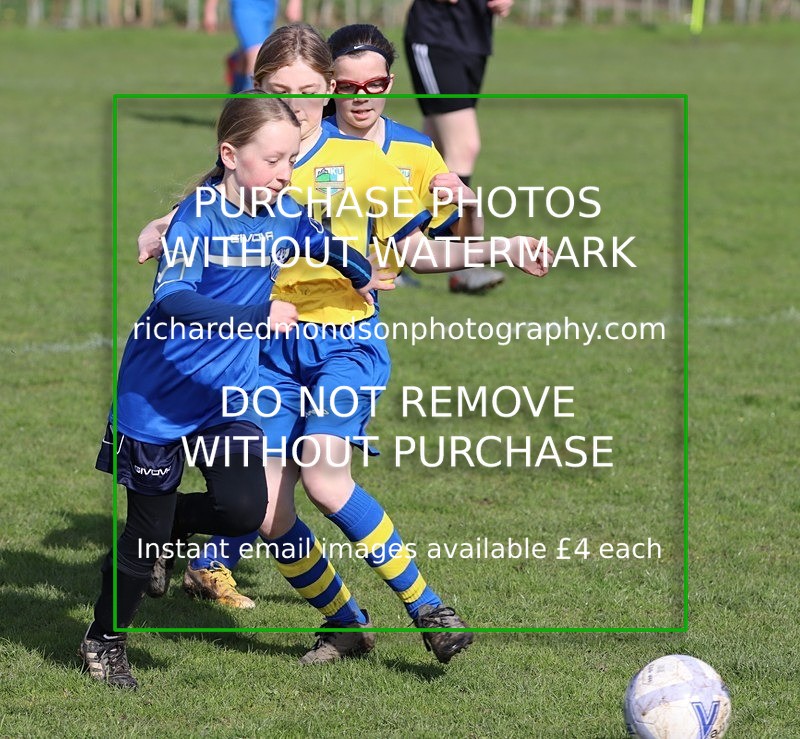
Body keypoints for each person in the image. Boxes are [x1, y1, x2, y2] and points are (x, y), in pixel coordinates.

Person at [138, 23, 551, 668]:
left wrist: (499, 246)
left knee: (328, 482)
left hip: (343, 343)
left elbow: (410, 250)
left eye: (309, 91)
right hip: (265, 351)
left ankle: (429, 610)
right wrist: (161, 225)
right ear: (259, 91)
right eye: (281, 91)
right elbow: (202, 213)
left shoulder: (361, 163)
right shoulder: (253, 155)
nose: (298, 106)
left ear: (327, 91)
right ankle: (344, 623)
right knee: (269, 510)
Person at [82, 96, 385, 690]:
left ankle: (167, 527)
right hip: (160, 396)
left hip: (228, 393)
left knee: (245, 510)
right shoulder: (199, 217)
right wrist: (254, 313)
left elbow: (311, 237)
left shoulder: (282, 208)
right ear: (230, 155)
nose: (284, 173)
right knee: (140, 546)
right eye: (273, 160)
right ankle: (104, 639)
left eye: (291, 160)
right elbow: (173, 299)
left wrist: (355, 267)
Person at [404, 0, 514, 294]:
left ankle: (384, 250)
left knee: (428, 153)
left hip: (473, 40)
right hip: (436, 36)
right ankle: (464, 266)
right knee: (465, 145)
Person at [203, 0, 303, 92]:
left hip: (269, 6)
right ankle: (251, 109)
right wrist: (210, 9)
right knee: (257, 56)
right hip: (245, 5)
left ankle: (232, 106)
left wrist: (295, 2)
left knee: (247, 61)